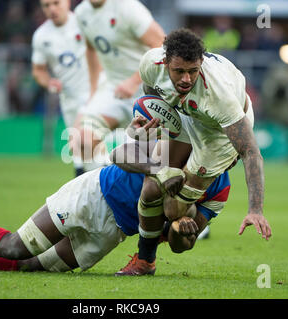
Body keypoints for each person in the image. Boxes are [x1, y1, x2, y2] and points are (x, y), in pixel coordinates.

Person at [0, 118, 231, 274]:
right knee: (15, 246)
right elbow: (118, 155)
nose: (228, 157)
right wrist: (157, 171)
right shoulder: (178, 140)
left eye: (233, 155)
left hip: (114, 232)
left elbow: (179, 244)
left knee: (32, 265)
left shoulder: (221, 188)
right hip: (93, 194)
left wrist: (181, 232)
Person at [115, 28, 272, 275]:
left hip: (218, 135)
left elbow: (251, 152)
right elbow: (151, 89)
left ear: (201, 63)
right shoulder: (151, 63)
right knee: (152, 187)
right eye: (179, 71)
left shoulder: (219, 96)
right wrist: (154, 119)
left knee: (172, 210)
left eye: (193, 71)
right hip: (187, 115)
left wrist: (255, 210)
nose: (186, 79)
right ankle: (145, 261)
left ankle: (180, 227)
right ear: (165, 62)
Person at [71, 0, 165, 172]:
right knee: (82, 140)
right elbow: (91, 48)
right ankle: (103, 183)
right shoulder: (81, 13)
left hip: (146, 91)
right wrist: (93, 90)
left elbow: (161, 43)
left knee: (147, 164)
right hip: (114, 89)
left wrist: (135, 80)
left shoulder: (128, 7)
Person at [31, 0, 92, 176]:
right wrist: (49, 82)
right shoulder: (41, 36)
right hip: (69, 100)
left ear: (67, 2)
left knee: (84, 143)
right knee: (81, 158)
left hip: (95, 95)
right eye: (46, 5)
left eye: (56, 3)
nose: (51, 9)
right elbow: (38, 70)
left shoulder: (84, 22)